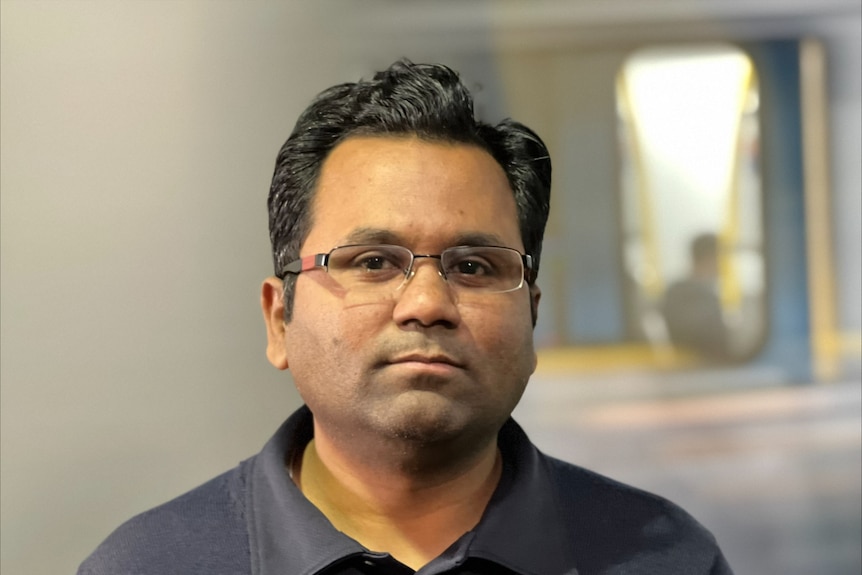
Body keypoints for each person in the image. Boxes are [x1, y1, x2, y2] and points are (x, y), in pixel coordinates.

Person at [79, 60, 734, 574]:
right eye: (371, 262)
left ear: (532, 317)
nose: (425, 303)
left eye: (475, 266)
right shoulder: (147, 564)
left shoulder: (665, 556)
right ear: (280, 320)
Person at [662, 233, 731, 362]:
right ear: (710, 258)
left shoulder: (679, 290)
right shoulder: (689, 295)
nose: (724, 265)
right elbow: (712, 341)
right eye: (722, 258)